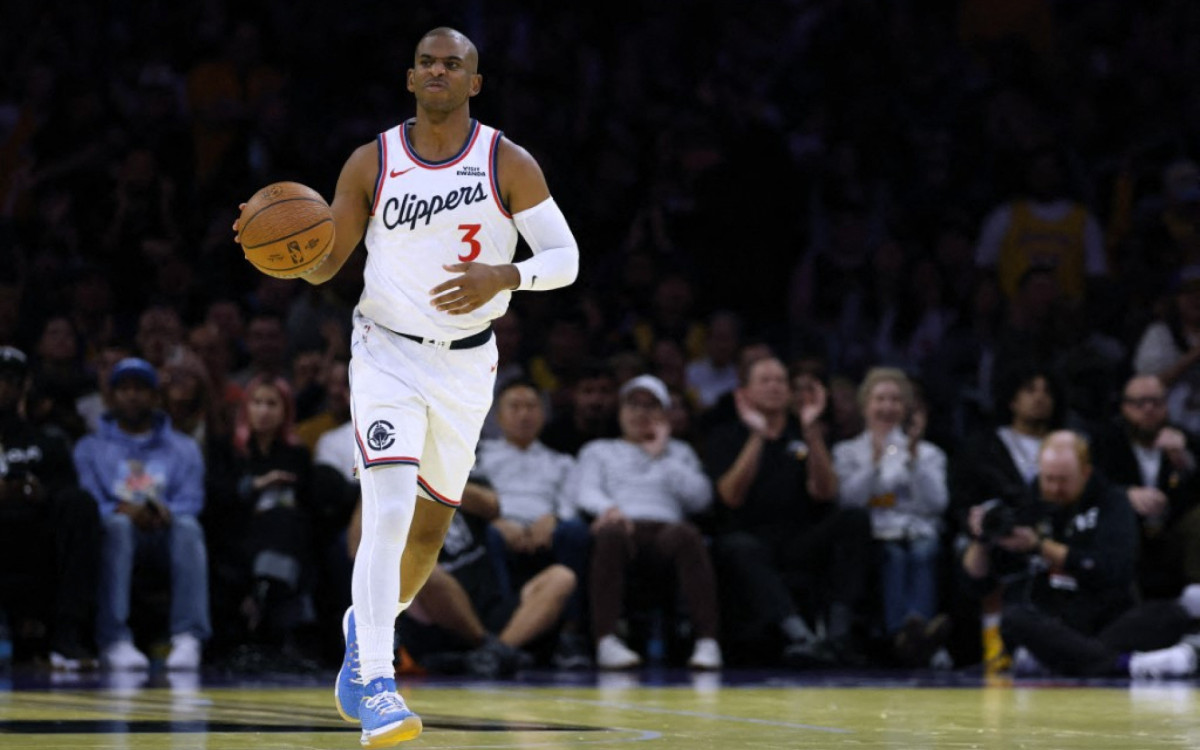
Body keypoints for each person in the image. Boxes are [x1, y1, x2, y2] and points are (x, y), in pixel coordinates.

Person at [233, 27, 579, 747]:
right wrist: (280, 253)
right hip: (385, 352)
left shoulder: (506, 161)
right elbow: (327, 264)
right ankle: (378, 684)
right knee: (387, 508)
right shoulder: (373, 160)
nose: (438, 71)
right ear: (411, 77)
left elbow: (566, 258)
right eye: (427, 62)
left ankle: (365, 625)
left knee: (426, 537)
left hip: (467, 366)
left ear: (474, 83)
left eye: (453, 63)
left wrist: (505, 275)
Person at [961, 430, 1200, 679]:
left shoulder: (1113, 502)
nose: (1055, 488)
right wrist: (981, 540)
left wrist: (1040, 547)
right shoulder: (1025, 506)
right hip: (1052, 622)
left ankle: (1065, 660)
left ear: (1085, 472)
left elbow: (1113, 571)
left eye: (1064, 480)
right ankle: (1128, 665)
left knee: (1170, 614)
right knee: (1013, 618)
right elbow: (975, 583)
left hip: (1105, 619)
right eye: (1049, 479)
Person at [704, 355, 871, 667]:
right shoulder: (725, 435)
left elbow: (825, 492)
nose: (775, 387)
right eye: (765, 381)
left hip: (799, 538)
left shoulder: (802, 433)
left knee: (854, 519)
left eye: (781, 381)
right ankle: (799, 635)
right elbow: (730, 497)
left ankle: (839, 633)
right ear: (744, 392)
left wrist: (811, 431)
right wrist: (758, 435)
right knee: (739, 546)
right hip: (750, 538)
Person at [574, 374, 722, 671]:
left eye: (651, 406)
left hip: (667, 532)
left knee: (688, 535)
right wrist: (609, 509)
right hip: (623, 525)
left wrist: (661, 456)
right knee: (610, 535)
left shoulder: (680, 452)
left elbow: (701, 499)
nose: (641, 413)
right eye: (633, 405)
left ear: (664, 414)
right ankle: (606, 640)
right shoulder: (599, 450)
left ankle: (707, 641)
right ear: (620, 412)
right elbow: (585, 491)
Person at [72, 357, 210, 671]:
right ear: (111, 397)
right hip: (115, 534)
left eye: (140, 388)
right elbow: (88, 502)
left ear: (155, 396)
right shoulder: (89, 448)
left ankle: (188, 637)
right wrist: (121, 510)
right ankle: (114, 639)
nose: (132, 395)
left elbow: (192, 500)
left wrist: (163, 511)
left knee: (188, 527)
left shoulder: (184, 448)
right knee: (117, 525)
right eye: (124, 389)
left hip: (166, 532)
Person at [947, 361, 1065, 670]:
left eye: (1047, 392)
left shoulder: (1066, 445)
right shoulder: (984, 445)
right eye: (1030, 390)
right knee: (976, 554)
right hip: (995, 534)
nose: (1039, 397)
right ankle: (992, 644)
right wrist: (978, 524)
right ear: (1012, 399)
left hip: (1050, 533)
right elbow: (964, 499)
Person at [832, 367, 951, 665]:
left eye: (896, 400)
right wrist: (873, 463)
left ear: (907, 407)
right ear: (865, 406)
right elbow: (848, 501)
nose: (888, 406)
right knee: (894, 556)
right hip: (873, 535)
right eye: (880, 399)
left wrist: (913, 458)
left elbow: (936, 504)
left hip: (918, 532)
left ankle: (918, 634)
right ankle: (903, 636)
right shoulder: (846, 452)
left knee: (924, 551)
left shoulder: (929, 453)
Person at [474, 379, 591, 668]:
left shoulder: (561, 461)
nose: (524, 414)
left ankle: (570, 635)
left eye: (531, 406)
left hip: (547, 531)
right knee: (485, 533)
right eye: (514, 407)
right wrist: (498, 520)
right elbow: (472, 500)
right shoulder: (480, 457)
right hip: (499, 526)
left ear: (543, 414)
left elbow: (571, 501)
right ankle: (499, 629)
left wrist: (554, 518)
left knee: (576, 531)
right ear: (498, 416)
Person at [0, 346, 101, 670]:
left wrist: (38, 493)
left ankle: (68, 635)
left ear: (23, 386)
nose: (2, 386)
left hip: (33, 538)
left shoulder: (46, 442)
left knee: (79, 505)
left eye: (9, 379)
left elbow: (66, 490)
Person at [1091, 374, 1200, 600]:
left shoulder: (1185, 441)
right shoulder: (1106, 441)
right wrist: (1125, 494)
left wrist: (1185, 461)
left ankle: (1195, 599)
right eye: (1139, 403)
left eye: (1156, 402)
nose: (1148, 409)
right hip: (1128, 531)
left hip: (1172, 531)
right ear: (1124, 407)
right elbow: (1091, 485)